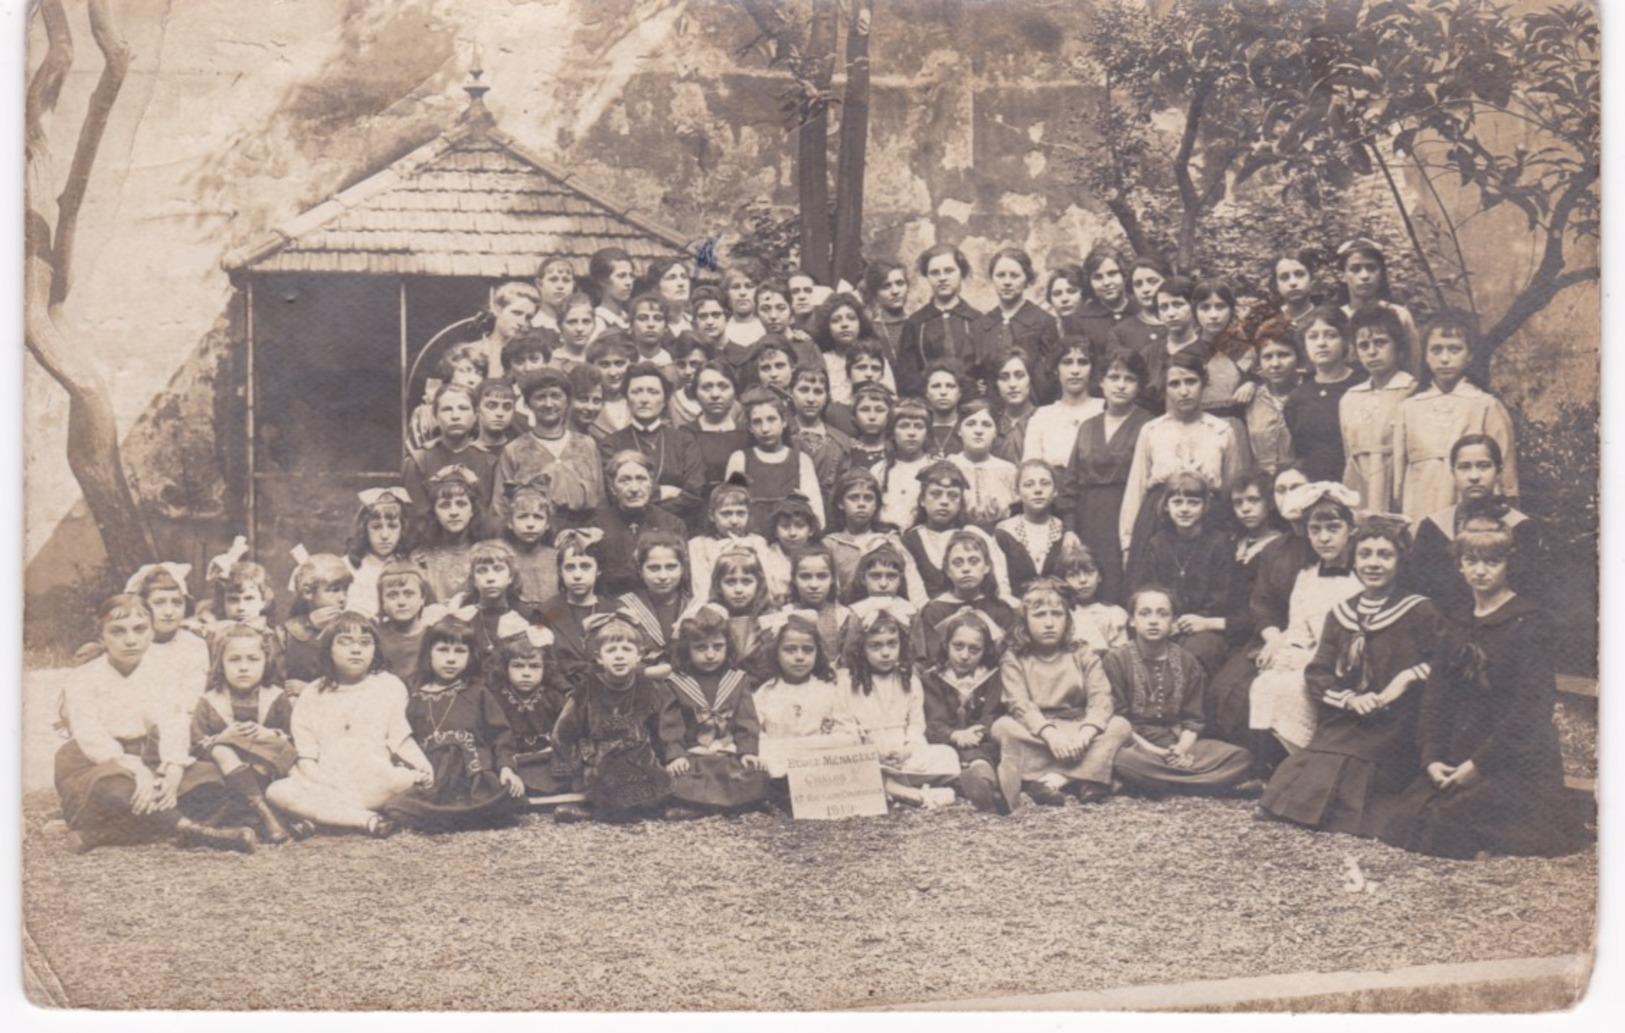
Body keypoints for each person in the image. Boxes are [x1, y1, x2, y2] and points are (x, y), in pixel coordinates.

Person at [1377, 520, 1591, 859]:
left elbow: (1530, 712)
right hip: (1459, 749)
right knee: (1402, 818)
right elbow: (1436, 699)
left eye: (1492, 562)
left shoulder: (1528, 623)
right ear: (1459, 564)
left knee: (1445, 824)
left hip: (1512, 758)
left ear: (1508, 564)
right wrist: (1432, 757)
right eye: (1471, 561)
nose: (1480, 571)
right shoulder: (1456, 623)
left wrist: (1478, 765)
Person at [1259, 519, 1437, 834]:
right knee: (1315, 762)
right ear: (1354, 560)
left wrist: (1405, 679)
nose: (1373, 563)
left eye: (1385, 555)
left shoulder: (1418, 610)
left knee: (1361, 766)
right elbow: (1318, 674)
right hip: (1351, 715)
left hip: (1397, 718)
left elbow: (1443, 663)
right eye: (1365, 554)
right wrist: (1351, 700)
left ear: (1400, 560)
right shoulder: (1341, 613)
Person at [55, 595, 250, 854]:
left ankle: (103, 835)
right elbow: (91, 736)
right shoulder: (82, 678)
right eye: (117, 631)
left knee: (213, 782)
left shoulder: (162, 673)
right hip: (98, 762)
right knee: (116, 790)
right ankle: (196, 832)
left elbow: (174, 723)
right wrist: (138, 772)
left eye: (140, 629)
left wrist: (172, 770)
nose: (131, 639)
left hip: (151, 756)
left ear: (151, 632)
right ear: (101, 636)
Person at [265, 613, 435, 838]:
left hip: (374, 778)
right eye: (345, 643)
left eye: (365, 643)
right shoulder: (312, 694)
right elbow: (306, 757)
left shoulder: (389, 686)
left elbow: (400, 738)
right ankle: (363, 819)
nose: (356, 650)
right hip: (326, 781)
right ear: (328, 650)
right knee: (277, 792)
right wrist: (329, 783)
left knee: (406, 779)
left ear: (375, 649)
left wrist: (422, 766)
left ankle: (327, 818)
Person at [992, 578, 1132, 809]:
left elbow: (1101, 697)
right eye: (1039, 615)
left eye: (1056, 614)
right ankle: (1088, 777)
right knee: (1002, 728)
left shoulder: (1081, 651)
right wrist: (1050, 734)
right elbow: (1019, 703)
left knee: (1120, 726)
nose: (1049, 623)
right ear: (1024, 621)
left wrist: (1086, 732)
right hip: (1038, 732)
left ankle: (1053, 780)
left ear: (1067, 619)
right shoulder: (1014, 656)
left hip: (1078, 727)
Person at [1247, 482, 1362, 757]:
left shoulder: (1361, 577)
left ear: (1351, 530)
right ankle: (1297, 759)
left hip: (1351, 666)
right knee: (1266, 683)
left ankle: (1316, 761)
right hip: (1313, 660)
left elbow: (1360, 640)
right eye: (1315, 530)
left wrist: (1312, 658)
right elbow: (1299, 631)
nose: (1324, 538)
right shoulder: (1307, 577)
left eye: (1333, 529)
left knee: (1296, 686)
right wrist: (1290, 653)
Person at [1104, 586, 1252, 793]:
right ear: (1132, 620)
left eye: (1162, 614)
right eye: (1144, 613)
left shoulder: (1187, 661)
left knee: (1240, 757)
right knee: (1120, 759)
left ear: (1173, 622)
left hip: (1176, 742)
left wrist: (1181, 749)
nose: (1153, 620)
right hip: (1135, 744)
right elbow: (1118, 721)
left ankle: (1158, 783)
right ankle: (1201, 783)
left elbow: (1194, 719)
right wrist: (1156, 752)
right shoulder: (1116, 660)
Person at [383, 616, 524, 830]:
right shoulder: (414, 697)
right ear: (428, 653)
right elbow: (403, 739)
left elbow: (501, 735)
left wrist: (506, 768)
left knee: (503, 802)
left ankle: (455, 817)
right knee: (396, 807)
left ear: (471, 656)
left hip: (474, 776)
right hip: (435, 779)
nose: (451, 659)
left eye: (460, 651)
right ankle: (452, 817)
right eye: (443, 650)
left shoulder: (478, 694)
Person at [1119, 352, 1247, 579]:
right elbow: (1136, 489)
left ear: (1204, 383)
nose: (1184, 391)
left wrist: (1237, 535)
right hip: (1158, 523)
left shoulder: (1221, 430)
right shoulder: (1152, 430)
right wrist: (1128, 541)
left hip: (1208, 524)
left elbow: (1232, 490)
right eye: (1175, 384)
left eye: (1191, 381)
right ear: (1165, 389)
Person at [1393, 312, 1518, 522]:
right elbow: (1399, 473)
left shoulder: (1486, 405)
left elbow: (1505, 472)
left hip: (1472, 507)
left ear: (1469, 355)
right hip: (1420, 501)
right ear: (1425, 356)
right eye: (1436, 350)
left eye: (1454, 349)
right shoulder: (1409, 408)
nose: (1444, 358)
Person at [550, 612, 674, 822]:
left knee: (663, 784)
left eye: (626, 649)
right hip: (602, 758)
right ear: (599, 657)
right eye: (611, 650)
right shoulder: (588, 688)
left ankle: (654, 808)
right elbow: (563, 732)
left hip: (639, 756)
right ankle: (590, 811)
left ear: (639, 656)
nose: (619, 656)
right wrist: (577, 766)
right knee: (608, 784)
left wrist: (664, 759)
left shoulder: (648, 687)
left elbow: (660, 727)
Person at [836, 600, 962, 808]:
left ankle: (887, 788)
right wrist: (869, 749)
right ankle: (912, 795)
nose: (885, 653)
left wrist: (907, 750)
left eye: (892, 644)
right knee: (847, 765)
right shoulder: (848, 682)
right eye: (876, 646)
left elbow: (915, 725)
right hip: (867, 753)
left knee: (947, 755)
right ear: (861, 648)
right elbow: (843, 723)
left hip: (902, 756)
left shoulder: (910, 681)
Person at [190, 623, 302, 845]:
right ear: (220, 664)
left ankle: (226, 817)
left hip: (267, 766)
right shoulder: (209, 701)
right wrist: (225, 737)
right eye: (234, 660)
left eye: (252, 659)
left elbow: (293, 739)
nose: (243, 667)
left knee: (269, 753)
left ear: (266, 661)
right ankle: (265, 814)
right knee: (222, 749)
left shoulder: (276, 697)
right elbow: (196, 744)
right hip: (225, 770)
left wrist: (266, 734)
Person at [1409, 433, 1544, 617]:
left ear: (1498, 471)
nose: (1474, 476)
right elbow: (1418, 590)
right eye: (1464, 467)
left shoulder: (1521, 527)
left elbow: (1530, 592)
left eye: (1483, 466)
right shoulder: (1433, 527)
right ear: (1453, 473)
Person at [1060, 347, 1153, 604]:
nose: (1121, 385)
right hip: (1089, 520)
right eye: (1114, 377)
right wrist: (1070, 529)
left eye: (1129, 379)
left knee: (1125, 587)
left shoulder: (1149, 425)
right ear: (1101, 381)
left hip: (1131, 518)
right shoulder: (1088, 427)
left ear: (1139, 385)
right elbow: (1070, 483)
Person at [659, 604, 770, 817]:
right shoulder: (675, 683)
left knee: (756, 773)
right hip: (694, 755)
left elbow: (747, 722)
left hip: (726, 753)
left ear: (728, 646)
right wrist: (676, 756)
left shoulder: (738, 680)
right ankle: (724, 806)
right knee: (677, 777)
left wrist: (747, 752)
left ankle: (699, 806)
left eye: (717, 647)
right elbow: (670, 725)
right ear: (686, 649)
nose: (710, 655)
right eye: (701, 648)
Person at [1126, 472, 1233, 675]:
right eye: (1177, 502)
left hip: (1204, 626)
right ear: (1166, 506)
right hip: (1165, 621)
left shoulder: (1219, 544)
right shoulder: (1158, 544)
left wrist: (1197, 621)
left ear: (1205, 507)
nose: (1184, 509)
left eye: (1193, 503)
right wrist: (1169, 620)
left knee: (1198, 651)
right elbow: (1149, 589)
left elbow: (1222, 596)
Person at [492, 368, 606, 529]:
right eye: (540, 397)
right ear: (527, 403)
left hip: (584, 535)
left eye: (555, 396)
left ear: (567, 401)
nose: (548, 404)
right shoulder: (514, 450)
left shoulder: (587, 445)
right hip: (532, 537)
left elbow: (601, 502)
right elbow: (500, 509)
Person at [598, 361, 708, 528]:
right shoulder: (611, 444)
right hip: (627, 527)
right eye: (636, 392)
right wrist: (663, 492)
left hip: (676, 526)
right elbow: (613, 493)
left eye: (653, 392)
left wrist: (654, 512)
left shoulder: (683, 441)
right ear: (627, 398)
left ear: (665, 400)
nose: (644, 399)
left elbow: (694, 492)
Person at [751, 609, 856, 781]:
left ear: (818, 653)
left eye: (807, 650)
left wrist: (811, 746)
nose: (799, 657)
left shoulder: (829, 690)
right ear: (775, 653)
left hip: (821, 763)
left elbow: (847, 732)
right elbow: (756, 736)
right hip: (782, 762)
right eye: (790, 650)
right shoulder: (766, 693)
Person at [918, 608, 1006, 812]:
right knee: (947, 757)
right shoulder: (932, 679)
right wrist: (956, 735)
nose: (964, 656)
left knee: (986, 752)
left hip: (980, 742)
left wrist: (978, 731)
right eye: (958, 646)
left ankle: (983, 785)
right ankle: (986, 786)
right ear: (946, 645)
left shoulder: (991, 678)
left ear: (985, 651)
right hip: (947, 742)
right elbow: (932, 721)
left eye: (974, 650)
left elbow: (993, 713)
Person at [1341, 304, 1418, 516]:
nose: (1372, 352)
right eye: (1364, 346)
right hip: (1359, 489)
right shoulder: (1350, 398)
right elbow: (1349, 454)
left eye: (1380, 343)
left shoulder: (1412, 390)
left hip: (1397, 486)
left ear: (1398, 347)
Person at [725, 387, 825, 536]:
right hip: (750, 542)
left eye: (771, 419)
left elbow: (818, 518)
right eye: (757, 422)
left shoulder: (801, 460)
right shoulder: (740, 459)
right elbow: (730, 511)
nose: (765, 429)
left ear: (784, 422)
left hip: (791, 541)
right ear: (750, 428)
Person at [1283, 305, 1364, 483]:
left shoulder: (1363, 385)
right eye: (1313, 337)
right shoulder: (1298, 398)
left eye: (1331, 335)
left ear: (1345, 340)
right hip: (1315, 489)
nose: (1321, 343)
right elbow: (1298, 454)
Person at [823, 467, 928, 603]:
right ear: (840, 503)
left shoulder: (889, 541)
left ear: (876, 504)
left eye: (868, 498)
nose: (861, 504)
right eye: (853, 498)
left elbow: (914, 586)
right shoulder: (831, 544)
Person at [970, 247, 1061, 401]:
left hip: (1034, 405)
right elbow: (974, 373)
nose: (1007, 282)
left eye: (1014, 276)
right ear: (992, 279)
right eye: (1000, 275)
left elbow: (1051, 373)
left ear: (1027, 279)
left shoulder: (1043, 321)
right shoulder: (981, 325)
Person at [487, 629, 571, 797]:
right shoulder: (496, 698)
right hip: (512, 759)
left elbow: (567, 730)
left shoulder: (553, 697)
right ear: (505, 668)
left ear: (545, 668)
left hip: (545, 758)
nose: (526, 673)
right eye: (517, 666)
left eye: (534, 666)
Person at [595, 450, 688, 597]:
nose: (634, 489)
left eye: (641, 479)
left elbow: (683, 580)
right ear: (612, 487)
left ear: (651, 483)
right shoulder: (596, 527)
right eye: (625, 480)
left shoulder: (672, 524)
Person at [534, 529, 619, 689]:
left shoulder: (613, 610)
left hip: (608, 690)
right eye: (570, 568)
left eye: (585, 566)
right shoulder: (546, 612)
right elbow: (543, 663)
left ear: (598, 570)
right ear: (560, 572)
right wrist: (568, 692)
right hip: (562, 694)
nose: (577, 575)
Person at [895, 243, 980, 398]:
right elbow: (907, 377)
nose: (942, 278)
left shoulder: (978, 321)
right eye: (934, 273)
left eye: (949, 271)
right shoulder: (915, 324)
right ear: (927, 276)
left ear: (961, 273)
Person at [994, 459, 1083, 595]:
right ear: (1017, 492)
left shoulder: (1065, 533)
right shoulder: (1004, 533)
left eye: (1045, 483)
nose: (1038, 490)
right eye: (1029, 484)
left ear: (1055, 491)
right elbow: (1001, 589)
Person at [1335, 238, 1419, 373]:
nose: (1364, 276)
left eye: (1371, 268)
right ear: (1342, 276)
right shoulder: (1337, 317)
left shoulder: (1399, 314)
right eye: (1355, 269)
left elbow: (1414, 364)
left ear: (1381, 273)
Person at [615, 530, 693, 671]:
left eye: (671, 567)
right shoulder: (626, 607)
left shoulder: (693, 607)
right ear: (640, 570)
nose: (663, 576)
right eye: (654, 568)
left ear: (682, 568)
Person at [1023, 337, 1103, 468]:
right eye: (1067, 362)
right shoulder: (1042, 417)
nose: (1075, 371)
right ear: (1056, 369)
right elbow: (1031, 469)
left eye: (1083, 362)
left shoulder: (1104, 410)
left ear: (1092, 368)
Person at [411, 465, 484, 605]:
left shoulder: (486, 554)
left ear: (473, 510)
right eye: (445, 505)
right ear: (434, 513)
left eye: (461, 504)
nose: (454, 512)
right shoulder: (420, 559)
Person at [279, 552, 354, 690]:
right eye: (334, 590)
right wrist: (310, 626)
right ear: (308, 592)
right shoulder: (288, 632)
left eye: (345, 590)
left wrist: (311, 690)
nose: (342, 598)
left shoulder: (350, 628)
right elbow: (280, 677)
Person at [342, 487, 412, 617]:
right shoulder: (347, 567)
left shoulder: (411, 565)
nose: (385, 535)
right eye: (376, 527)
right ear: (364, 529)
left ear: (402, 528)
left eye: (392, 526)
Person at [1242, 321, 1299, 475]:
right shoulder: (1250, 399)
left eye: (1283, 355)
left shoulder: (1309, 394)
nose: (1275, 364)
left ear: (1298, 357)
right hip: (1262, 483)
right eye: (1267, 357)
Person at [1063, 244, 1133, 363]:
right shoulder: (1078, 321)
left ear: (1124, 275)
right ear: (1089, 282)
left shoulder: (1140, 311)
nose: (1106, 282)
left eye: (1112, 274)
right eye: (1098, 277)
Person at [374, 559, 443, 679]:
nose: (401, 602)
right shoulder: (375, 635)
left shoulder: (434, 635)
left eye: (409, 594)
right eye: (392, 595)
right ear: (382, 602)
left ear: (422, 598)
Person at [874, 397, 934, 531]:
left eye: (918, 426)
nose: (911, 433)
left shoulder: (934, 469)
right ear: (892, 433)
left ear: (927, 433)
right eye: (904, 426)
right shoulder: (879, 470)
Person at [500, 482, 557, 617]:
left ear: (547, 523)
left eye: (538, 517)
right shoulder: (504, 558)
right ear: (510, 522)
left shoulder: (556, 557)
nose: (530, 524)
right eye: (522, 516)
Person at [587, 247, 637, 341]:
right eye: (621, 276)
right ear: (602, 280)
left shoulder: (628, 319)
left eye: (631, 276)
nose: (629, 282)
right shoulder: (597, 322)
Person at [863, 259, 910, 360]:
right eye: (886, 286)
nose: (895, 291)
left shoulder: (918, 324)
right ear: (875, 294)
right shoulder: (869, 331)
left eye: (900, 283)